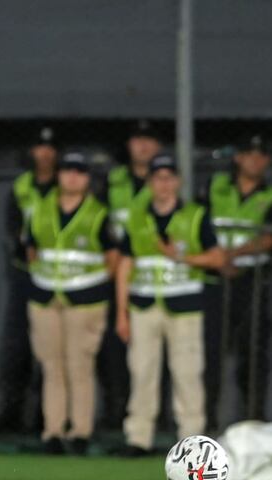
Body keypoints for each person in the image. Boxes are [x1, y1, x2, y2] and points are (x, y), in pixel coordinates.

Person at [116, 155, 225, 456]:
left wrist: (181, 257)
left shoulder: (194, 215)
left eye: (169, 177)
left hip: (185, 307)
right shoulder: (137, 218)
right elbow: (125, 264)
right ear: (150, 182)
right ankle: (138, 438)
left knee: (187, 373)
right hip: (144, 306)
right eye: (158, 177)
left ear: (177, 181)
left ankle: (192, 441)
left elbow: (217, 258)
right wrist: (121, 312)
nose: (164, 184)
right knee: (141, 372)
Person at [25, 151, 118, 455]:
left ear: (87, 178)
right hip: (46, 296)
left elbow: (113, 259)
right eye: (67, 170)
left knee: (79, 366)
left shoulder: (98, 213)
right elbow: (31, 249)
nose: (72, 176)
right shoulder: (40, 209)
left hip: (86, 299)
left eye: (79, 172)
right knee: (51, 366)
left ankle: (80, 432)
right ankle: (52, 432)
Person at [97, 120, 162, 431]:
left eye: (149, 140)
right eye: (138, 139)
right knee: (114, 353)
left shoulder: (166, 181)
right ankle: (115, 416)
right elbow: (99, 224)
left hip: (153, 279)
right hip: (117, 276)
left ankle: (159, 422)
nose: (143, 145)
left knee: (157, 356)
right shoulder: (114, 180)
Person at [204, 134, 272, 420]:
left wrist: (232, 254)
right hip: (215, 278)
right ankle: (207, 419)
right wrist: (218, 258)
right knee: (211, 352)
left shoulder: (269, 193)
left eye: (261, 155)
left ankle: (252, 418)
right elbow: (198, 223)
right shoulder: (217, 187)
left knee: (253, 351)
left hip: (254, 280)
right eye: (249, 154)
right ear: (238, 158)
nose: (255, 159)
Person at [0, 126, 58, 433]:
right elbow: (11, 229)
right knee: (18, 347)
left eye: (50, 148)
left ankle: (48, 420)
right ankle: (12, 415)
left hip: (60, 281)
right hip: (26, 275)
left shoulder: (66, 185)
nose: (44, 154)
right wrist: (24, 249)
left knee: (55, 353)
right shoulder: (23, 186)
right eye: (39, 148)